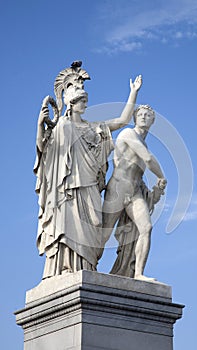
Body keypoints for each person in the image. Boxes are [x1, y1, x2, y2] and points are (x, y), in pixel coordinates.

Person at [34, 61, 142, 279]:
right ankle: (66, 268)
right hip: (69, 189)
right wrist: (41, 124)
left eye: (85, 101)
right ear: (71, 104)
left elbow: (122, 120)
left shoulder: (94, 126)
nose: (85, 105)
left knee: (93, 227)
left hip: (90, 186)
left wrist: (133, 93)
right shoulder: (63, 127)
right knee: (69, 227)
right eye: (81, 101)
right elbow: (44, 149)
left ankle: (87, 268)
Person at [101, 105, 167, 282]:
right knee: (104, 234)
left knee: (146, 228)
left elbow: (138, 172)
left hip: (135, 191)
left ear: (152, 121)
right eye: (141, 115)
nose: (144, 117)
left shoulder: (143, 140)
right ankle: (88, 266)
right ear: (135, 118)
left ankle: (138, 273)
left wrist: (154, 189)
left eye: (148, 115)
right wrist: (161, 176)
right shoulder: (128, 134)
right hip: (118, 189)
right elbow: (147, 158)